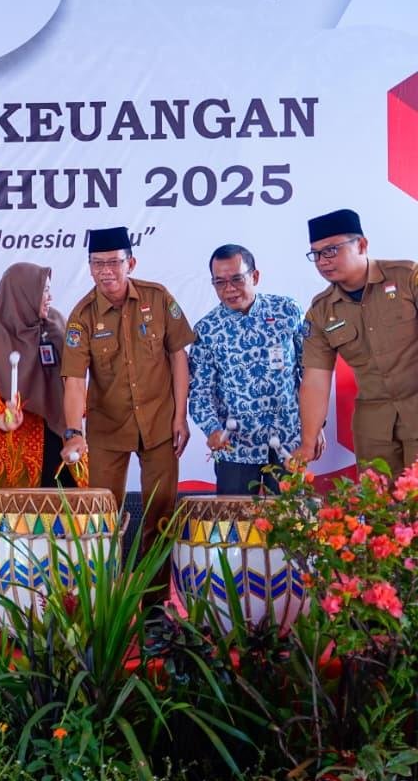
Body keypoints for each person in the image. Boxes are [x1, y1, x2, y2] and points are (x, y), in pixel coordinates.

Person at [60, 226, 194, 607]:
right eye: (98, 264)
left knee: (160, 514)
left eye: (114, 262)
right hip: (106, 430)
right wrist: (73, 431)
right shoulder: (81, 316)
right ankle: (108, 604)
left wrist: (180, 416)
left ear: (130, 263)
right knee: (103, 519)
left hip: (160, 423)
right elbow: (73, 379)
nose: (106, 271)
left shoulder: (157, 297)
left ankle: (154, 606)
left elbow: (178, 356)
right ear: (89, 268)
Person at [290, 209, 418, 476]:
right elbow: (315, 379)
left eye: (331, 250)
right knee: (378, 509)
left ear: (361, 245)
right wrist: (308, 440)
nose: (322, 261)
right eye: (316, 254)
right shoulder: (321, 311)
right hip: (374, 427)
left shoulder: (407, 278)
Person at [188, 244, 313, 495]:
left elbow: (311, 371)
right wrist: (212, 429)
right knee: (235, 527)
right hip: (236, 446)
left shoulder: (287, 311)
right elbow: (200, 390)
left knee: (291, 524)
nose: (229, 289)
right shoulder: (207, 329)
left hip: (289, 438)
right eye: (220, 282)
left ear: (255, 276)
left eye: (237, 279)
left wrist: (316, 427)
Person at [0, 263, 83, 490]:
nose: (50, 297)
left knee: (66, 511)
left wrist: (76, 422)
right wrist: (4, 418)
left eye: (50, 290)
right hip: (13, 446)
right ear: (23, 294)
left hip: (60, 435)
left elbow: (74, 378)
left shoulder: (57, 324)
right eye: (44, 291)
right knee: (17, 517)